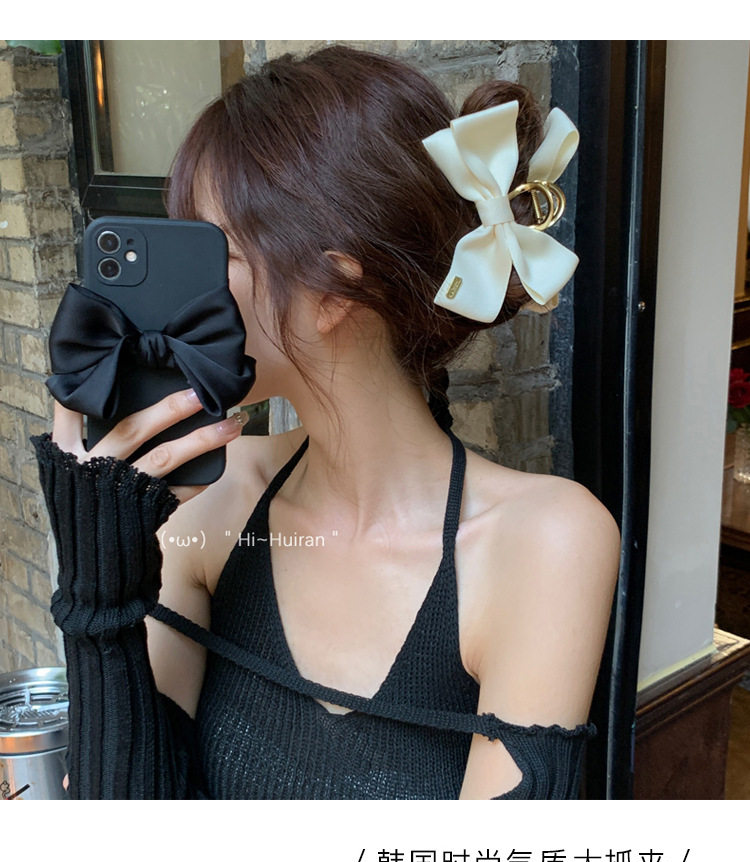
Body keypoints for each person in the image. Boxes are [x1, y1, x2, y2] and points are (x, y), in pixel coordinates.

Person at [32, 45, 620, 800]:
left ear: (335, 291)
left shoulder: (544, 542)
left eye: (208, 250)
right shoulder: (212, 503)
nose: (174, 297)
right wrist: (98, 586)